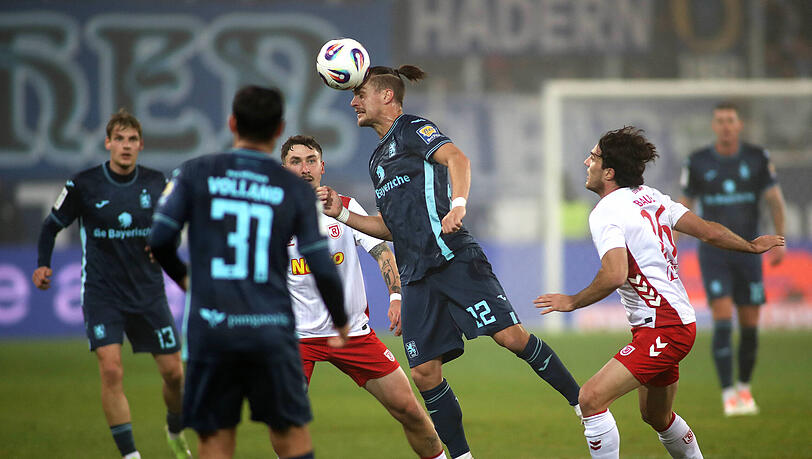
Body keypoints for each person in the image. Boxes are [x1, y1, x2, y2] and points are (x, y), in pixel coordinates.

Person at [318, 65, 582, 459]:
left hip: (453, 258)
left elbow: (458, 159)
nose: (353, 101)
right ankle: (461, 456)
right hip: (417, 275)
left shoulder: (412, 129)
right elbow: (391, 229)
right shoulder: (376, 161)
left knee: (511, 338)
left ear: (387, 96)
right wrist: (342, 213)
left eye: (361, 94)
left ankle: (585, 406)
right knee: (424, 373)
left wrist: (458, 205)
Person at [535, 127, 784, 458]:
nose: (586, 162)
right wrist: (750, 246)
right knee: (656, 416)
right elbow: (708, 232)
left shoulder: (607, 212)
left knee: (591, 399)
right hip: (671, 323)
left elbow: (614, 274)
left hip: (664, 326)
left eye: (593, 157)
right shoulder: (652, 196)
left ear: (609, 171)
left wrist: (572, 300)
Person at [148, 86, 348, 459]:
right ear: (278, 131)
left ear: (232, 123)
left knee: (216, 442)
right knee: (292, 439)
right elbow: (319, 260)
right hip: (270, 329)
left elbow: (159, 239)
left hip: (212, 327)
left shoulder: (195, 173)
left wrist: (188, 281)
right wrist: (339, 319)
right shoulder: (292, 189)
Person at [31, 109, 191, 459]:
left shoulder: (155, 183)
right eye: (119, 139)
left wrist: (165, 246)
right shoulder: (84, 185)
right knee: (112, 370)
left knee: (175, 375)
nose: (125, 145)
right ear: (108, 143)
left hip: (148, 294)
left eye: (132, 139)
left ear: (141, 145)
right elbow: (50, 226)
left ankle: (175, 429)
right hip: (103, 295)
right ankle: (130, 456)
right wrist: (43, 264)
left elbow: (173, 223)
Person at [281, 135, 446, 459]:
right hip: (295, 338)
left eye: (311, 160)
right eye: (295, 162)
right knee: (287, 421)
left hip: (354, 334)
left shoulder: (343, 207)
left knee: (409, 410)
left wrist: (396, 297)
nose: (304, 169)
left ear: (322, 167)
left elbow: (383, 253)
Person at [679, 102, 787, 416]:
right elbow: (683, 210)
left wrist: (779, 241)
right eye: (720, 121)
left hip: (750, 251)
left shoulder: (757, 158)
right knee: (724, 320)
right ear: (714, 126)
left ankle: (744, 388)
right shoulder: (697, 162)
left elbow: (775, 202)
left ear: (740, 125)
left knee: (751, 325)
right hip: (714, 253)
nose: (725, 126)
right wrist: (669, 245)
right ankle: (728, 394)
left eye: (730, 120)